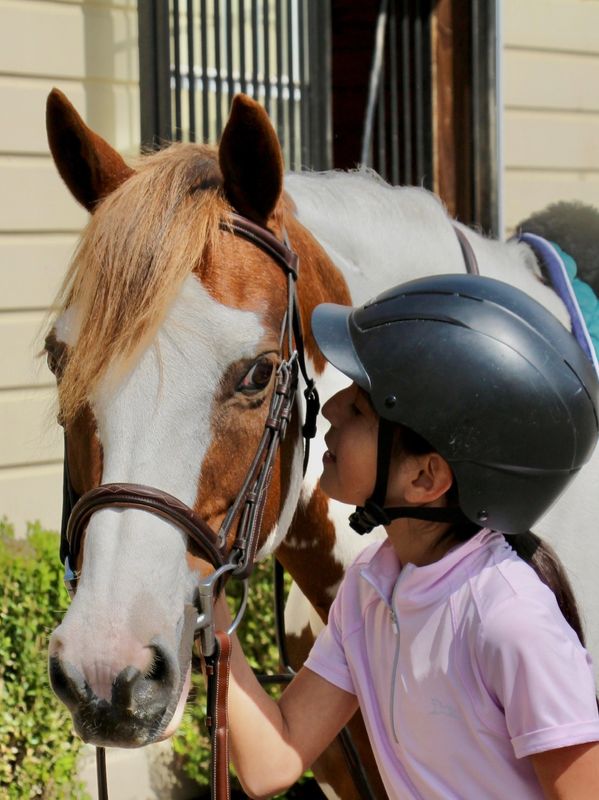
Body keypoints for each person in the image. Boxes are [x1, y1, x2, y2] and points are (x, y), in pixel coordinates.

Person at [215, 274, 599, 799]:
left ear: (426, 479)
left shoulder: (509, 621)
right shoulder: (369, 588)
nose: (329, 410)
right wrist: (213, 631)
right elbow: (272, 762)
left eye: (358, 409)